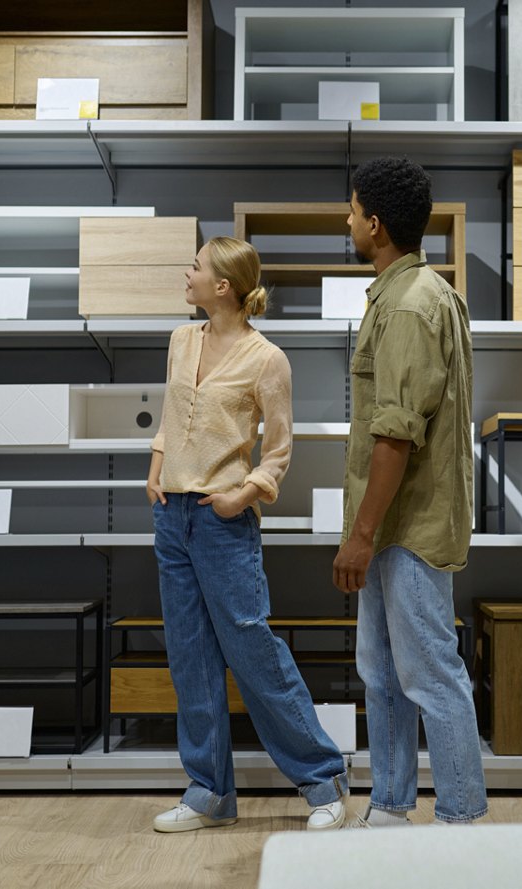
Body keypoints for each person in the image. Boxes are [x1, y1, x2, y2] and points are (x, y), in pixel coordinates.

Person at [148, 236, 351, 833]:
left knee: (252, 650)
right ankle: (209, 793)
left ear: (223, 287)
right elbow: (169, 416)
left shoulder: (267, 359)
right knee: (190, 657)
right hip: (172, 517)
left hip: (222, 520)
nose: (188, 273)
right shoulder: (182, 340)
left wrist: (244, 494)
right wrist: (156, 468)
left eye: (197, 267)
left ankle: (324, 780)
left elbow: (280, 449)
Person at [333, 157, 487, 826]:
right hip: (397, 525)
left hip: (407, 527)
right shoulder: (422, 293)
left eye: (351, 209)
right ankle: (390, 807)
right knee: (384, 672)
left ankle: (460, 822)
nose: (346, 220)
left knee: (430, 675)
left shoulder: (409, 304)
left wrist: (360, 534)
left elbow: (395, 435)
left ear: (374, 223)